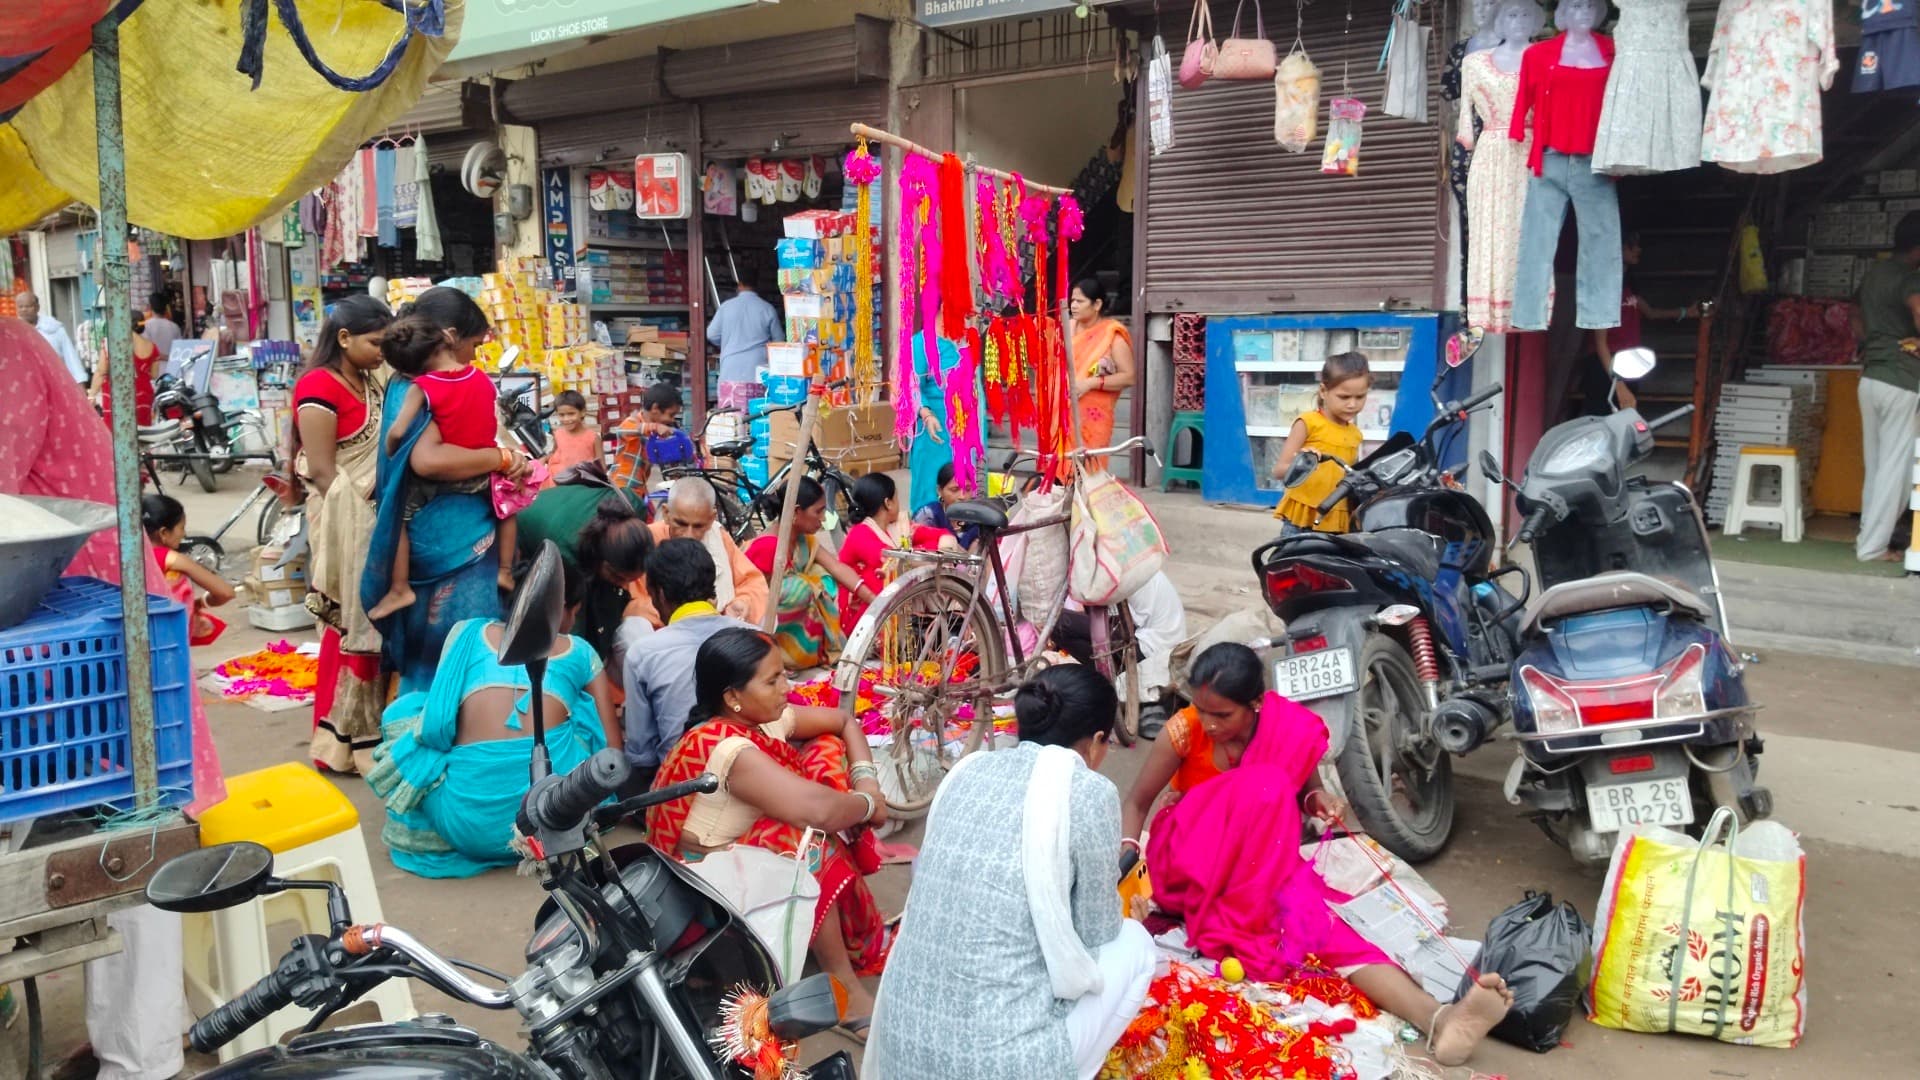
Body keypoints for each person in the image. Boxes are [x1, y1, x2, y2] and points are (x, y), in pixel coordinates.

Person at [1, 314, 227, 1080]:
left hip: (87, 626)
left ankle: (142, 1058)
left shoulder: (8, 354)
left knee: (127, 845)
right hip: (55, 630)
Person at [1135, 644, 1514, 1067]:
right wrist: (1125, 865)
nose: (1208, 723)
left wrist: (1321, 799)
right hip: (1190, 859)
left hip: (1259, 858)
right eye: (1201, 709)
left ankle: (1439, 1018)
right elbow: (1137, 803)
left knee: (1322, 925)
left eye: (1221, 715)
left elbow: (1307, 792)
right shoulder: (1184, 731)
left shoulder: (1286, 730)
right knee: (1267, 789)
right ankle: (1246, 917)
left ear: (1257, 703)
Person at [865, 665, 1157, 1080]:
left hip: (903, 1048)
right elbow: (1097, 931)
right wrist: (1125, 913)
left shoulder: (967, 771)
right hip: (1001, 1065)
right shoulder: (1090, 791)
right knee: (1135, 943)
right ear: (1095, 743)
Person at [645, 628, 892, 1026]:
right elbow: (820, 812)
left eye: (784, 675)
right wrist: (867, 805)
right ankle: (839, 983)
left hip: (730, 865)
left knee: (824, 751)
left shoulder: (761, 722)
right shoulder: (729, 748)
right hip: (697, 891)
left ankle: (815, 932)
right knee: (803, 837)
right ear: (732, 697)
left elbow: (843, 721)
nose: (786, 687)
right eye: (773, 680)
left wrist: (866, 780)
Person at [368, 563, 619, 878]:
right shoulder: (580, 651)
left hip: (463, 826)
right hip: (552, 822)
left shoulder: (467, 633)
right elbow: (612, 749)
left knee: (406, 710)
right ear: (564, 609)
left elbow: (435, 726)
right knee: (583, 711)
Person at [363, 287, 533, 696]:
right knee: (460, 662)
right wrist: (502, 459)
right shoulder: (425, 387)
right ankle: (454, 744)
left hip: (433, 536)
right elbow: (428, 460)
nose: (475, 355)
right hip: (452, 540)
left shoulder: (411, 384)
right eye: (474, 344)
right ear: (451, 336)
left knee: (430, 663)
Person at [294, 295, 393, 774]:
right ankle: (338, 743)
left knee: (371, 620)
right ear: (345, 339)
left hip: (370, 516)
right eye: (376, 342)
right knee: (346, 622)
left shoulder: (371, 379)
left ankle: (366, 736)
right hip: (341, 520)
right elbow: (323, 471)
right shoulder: (318, 386)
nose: (382, 351)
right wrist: (366, 519)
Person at [621, 538, 758, 787]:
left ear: (659, 595)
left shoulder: (643, 653)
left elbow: (642, 752)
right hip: (756, 776)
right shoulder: (756, 636)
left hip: (683, 787)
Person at [745, 476, 871, 668]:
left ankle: (808, 652)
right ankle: (778, 657)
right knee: (800, 587)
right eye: (818, 511)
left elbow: (836, 568)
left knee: (819, 576)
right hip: (761, 623)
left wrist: (874, 599)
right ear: (796, 511)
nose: (823, 518)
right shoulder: (768, 546)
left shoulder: (804, 540)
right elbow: (753, 602)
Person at [1852, 210, 1920, 562]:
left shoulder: (1875, 273)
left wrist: (1871, 344)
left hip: (1872, 378)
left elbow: (1854, 314)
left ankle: (1867, 539)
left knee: (1877, 465)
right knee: (1896, 468)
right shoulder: (1910, 278)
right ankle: (1873, 548)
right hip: (1902, 380)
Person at [1049, 570, 1188, 740]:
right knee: (1063, 622)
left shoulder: (1127, 577)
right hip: (1149, 642)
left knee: (1056, 621)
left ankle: (1108, 678)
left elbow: (1121, 629)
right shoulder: (1129, 567)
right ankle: (1108, 676)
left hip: (1151, 649)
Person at [1579, 233, 1700, 416]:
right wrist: (1617, 384)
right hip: (1605, 365)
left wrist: (1685, 312)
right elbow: (1600, 343)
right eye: (1631, 245)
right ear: (1616, 250)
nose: (1638, 250)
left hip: (1629, 362)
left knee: (1625, 420)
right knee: (1604, 421)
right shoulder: (1602, 288)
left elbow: (1650, 312)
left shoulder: (1626, 286)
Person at [626, 477, 768, 625]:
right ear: (666, 514)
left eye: (698, 526)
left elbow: (753, 583)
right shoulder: (647, 540)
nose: (689, 535)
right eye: (681, 523)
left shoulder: (717, 536)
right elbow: (633, 605)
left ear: (711, 519)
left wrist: (742, 602)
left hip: (717, 632)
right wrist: (690, 615)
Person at [1272, 352, 1372, 536]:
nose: (1352, 404)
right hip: (1302, 520)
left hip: (1336, 522)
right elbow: (1279, 471)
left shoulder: (1355, 434)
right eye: (1344, 397)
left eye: (1360, 397)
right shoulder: (1308, 423)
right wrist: (1305, 463)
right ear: (1323, 391)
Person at [838, 472, 953, 629]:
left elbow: (941, 535)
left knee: (925, 550)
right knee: (880, 574)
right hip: (861, 612)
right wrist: (936, 561)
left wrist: (943, 551)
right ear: (888, 503)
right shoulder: (860, 533)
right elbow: (891, 559)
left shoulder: (897, 527)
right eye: (897, 497)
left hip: (885, 601)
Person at [140, 493, 236, 643]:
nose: (184, 534)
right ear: (164, 533)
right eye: (181, 528)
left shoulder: (129, 556)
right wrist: (200, 603)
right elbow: (225, 592)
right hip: (167, 640)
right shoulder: (171, 559)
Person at [907, 332, 982, 512]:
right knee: (932, 492)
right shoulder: (921, 343)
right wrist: (926, 414)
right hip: (935, 434)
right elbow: (911, 385)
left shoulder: (968, 337)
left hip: (967, 432)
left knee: (966, 491)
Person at [1069, 278, 1135, 470]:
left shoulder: (1111, 334)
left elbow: (1128, 376)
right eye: (1072, 300)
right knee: (1059, 480)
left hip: (1093, 418)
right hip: (1062, 415)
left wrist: (1090, 383)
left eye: (1079, 301)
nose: (1073, 305)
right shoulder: (1065, 328)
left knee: (1089, 475)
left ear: (1097, 304)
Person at [707, 278, 783, 411]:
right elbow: (779, 343)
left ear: (739, 285)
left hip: (730, 369)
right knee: (757, 415)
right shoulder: (766, 308)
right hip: (758, 371)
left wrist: (727, 344)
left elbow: (711, 334)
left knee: (730, 416)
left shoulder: (726, 307)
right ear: (757, 286)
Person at [608, 381, 684, 496]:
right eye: (671, 415)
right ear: (655, 408)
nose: (672, 420)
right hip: (623, 486)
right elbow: (622, 430)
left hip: (639, 487)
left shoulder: (657, 433)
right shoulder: (633, 422)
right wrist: (655, 427)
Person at [92, 316, 163, 426]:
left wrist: (91, 396)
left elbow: (101, 372)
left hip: (117, 398)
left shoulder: (110, 343)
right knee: (143, 435)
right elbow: (154, 375)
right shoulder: (152, 347)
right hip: (143, 397)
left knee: (115, 436)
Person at [15, 290, 85, 385]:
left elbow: (71, 358)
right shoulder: (13, 333)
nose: (24, 310)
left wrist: (80, 383)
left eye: (27, 306)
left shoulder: (54, 328)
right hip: (27, 385)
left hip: (55, 382)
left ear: (37, 308)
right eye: (20, 307)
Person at [912, 461, 981, 550]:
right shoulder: (928, 515)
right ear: (939, 490)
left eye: (967, 489)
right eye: (954, 490)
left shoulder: (977, 517)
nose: (962, 496)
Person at [542, 389, 601, 484]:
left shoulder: (593, 437)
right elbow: (555, 454)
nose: (566, 419)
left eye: (571, 414)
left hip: (583, 484)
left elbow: (601, 465)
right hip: (560, 483)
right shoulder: (558, 434)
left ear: (582, 412)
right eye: (561, 415)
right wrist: (544, 459)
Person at [142, 288, 183, 359]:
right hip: (171, 366)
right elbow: (180, 351)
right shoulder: (174, 327)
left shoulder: (146, 326)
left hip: (154, 367)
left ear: (150, 307)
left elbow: (145, 351)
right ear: (165, 308)